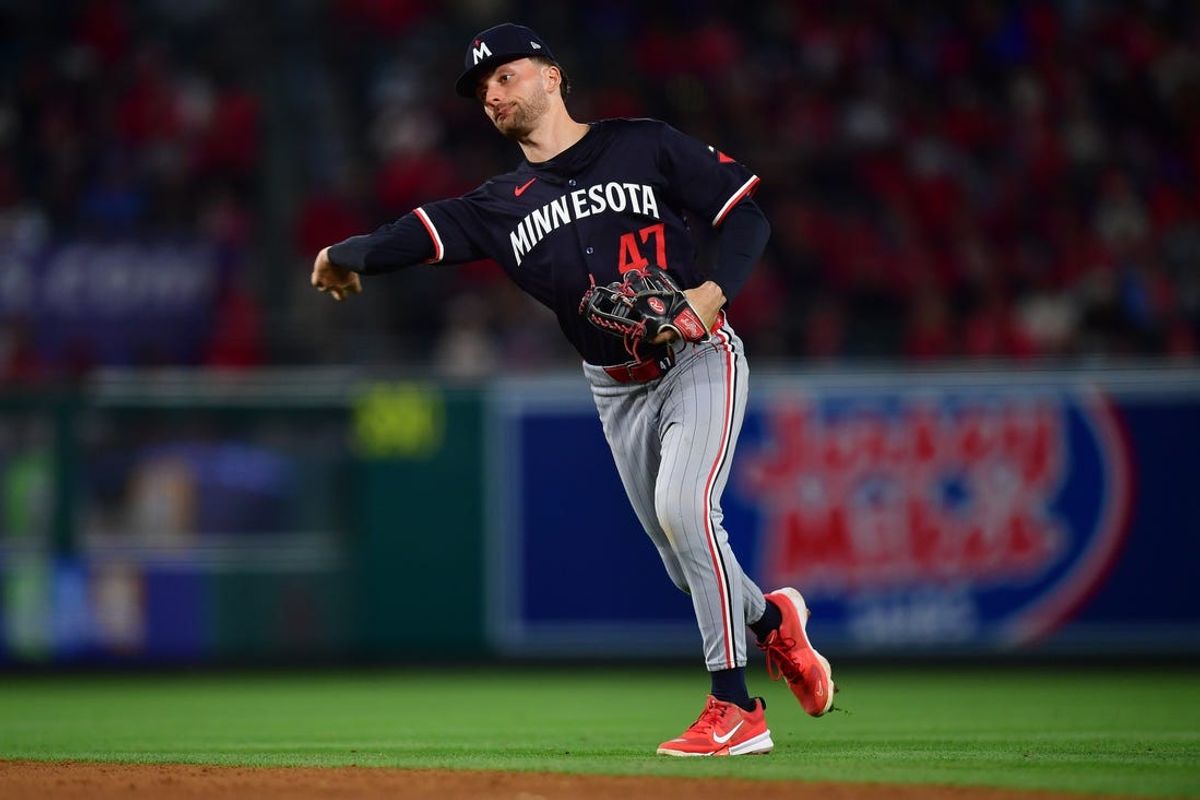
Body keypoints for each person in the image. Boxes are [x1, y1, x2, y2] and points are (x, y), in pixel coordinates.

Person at [310, 23, 834, 756]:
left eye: (504, 75)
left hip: (696, 359)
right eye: (481, 88)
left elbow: (745, 210)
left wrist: (714, 291)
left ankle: (735, 707)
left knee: (687, 511)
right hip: (614, 390)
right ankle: (774, 625)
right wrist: (344, 252)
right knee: (684, 566)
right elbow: (418, 232)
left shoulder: (642, 143)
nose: (492, 93)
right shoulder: (501, 204)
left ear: (551, 76)